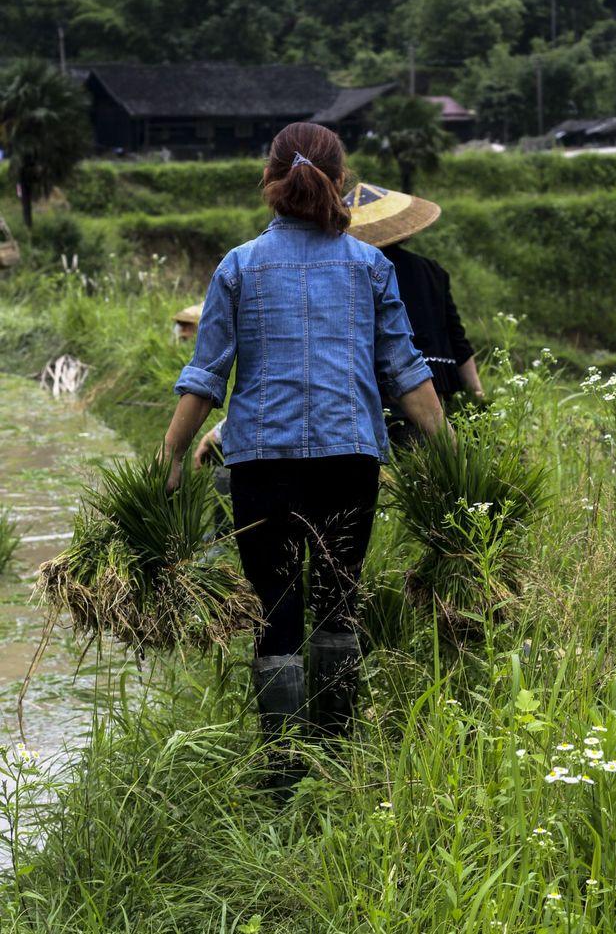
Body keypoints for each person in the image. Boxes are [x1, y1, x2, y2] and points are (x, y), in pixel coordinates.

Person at [161, 122, 445, 786]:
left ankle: (281, 772)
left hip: (264, 460)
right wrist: (453, 455)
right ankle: (335, 756)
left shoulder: (238, 267)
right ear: (341, 183)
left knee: (277, 608)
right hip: (349, 458)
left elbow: (206, 375)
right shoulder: (371, 267)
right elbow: (406, 373)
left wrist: (171, 455)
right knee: (338, 600)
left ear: (270, 182)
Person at [345, 182, 483, 445]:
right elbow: (458, 339)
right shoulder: (431, 270)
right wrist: (477, 393)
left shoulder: (361, 272)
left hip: (388, 393)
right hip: (439, 391)